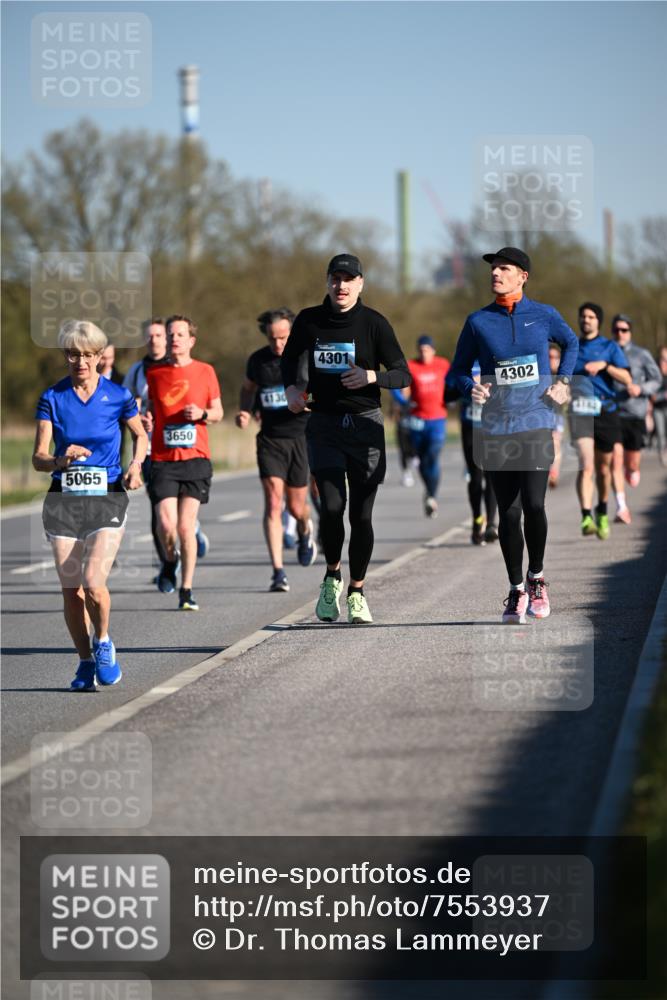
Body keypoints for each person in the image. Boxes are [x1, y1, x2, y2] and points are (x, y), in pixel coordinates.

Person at [450, 246, 578, 623]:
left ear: (523, 275)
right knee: (508, 512)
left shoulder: (544, 315)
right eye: (493, 268)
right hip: (495, 427)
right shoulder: (478, 322)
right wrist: (468, 388)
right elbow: (458, 369)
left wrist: (564, 381)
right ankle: (515, 590)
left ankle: (536, 577)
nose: (495, 273)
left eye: (504, 268)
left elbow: (570, 343)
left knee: (535, 505)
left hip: (536, 419)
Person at [281, 253, 410, 624]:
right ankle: (332, 576)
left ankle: (357, 590)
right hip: (324, 423)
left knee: (362, 515)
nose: (341, 286)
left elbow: (402, 374)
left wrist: (372, 377)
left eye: (348, 279)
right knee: (333, 508)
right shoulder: (309, 320)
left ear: (360, 284)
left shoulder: (374, 324)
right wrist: (292, 389)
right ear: (327, 282)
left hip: (366, 426)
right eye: (335, 279)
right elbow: (290, 359)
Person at [32, 320, 147, 691]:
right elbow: (38, 457)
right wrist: (60, 461)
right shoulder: (53, 397)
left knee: (94, 582)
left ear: (99, 356)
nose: (79, 361)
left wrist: (135, 465)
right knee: (71, 591)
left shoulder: (116, 396)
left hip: (107, 497)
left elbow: (140, 434)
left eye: (87, 354)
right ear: (66, 356)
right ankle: (84, 662)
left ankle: (103, 642)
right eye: (72, 354)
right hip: (63, 500)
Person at [236, 307, 317, 593]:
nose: (278, 344)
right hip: (270, 439)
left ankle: (306, 530)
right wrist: (245, 411)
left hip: (301, 438)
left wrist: (309, 401)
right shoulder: (258, 360)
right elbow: (248, 388)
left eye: (283, 337)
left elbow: (322, 389)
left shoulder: (306, 356)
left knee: (296, 507)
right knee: (273, 502)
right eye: (272, 339)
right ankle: (278, 572)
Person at [146, 314, 223, 610]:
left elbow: (217, 412)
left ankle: (186, 589)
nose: (173, 339)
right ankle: (169, 561)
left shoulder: (205, 371)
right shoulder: (155, 374)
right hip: (164, 459)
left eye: (179, 334)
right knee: (166, 524)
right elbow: (150, 409)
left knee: (185, 527)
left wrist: (202, 414)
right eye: (169, 335)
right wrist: (146, 418)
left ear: (191, 340)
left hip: (195, 459)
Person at [124, 318, 210, 574]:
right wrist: (138, 418)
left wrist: (200, 413)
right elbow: (128, 404)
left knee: (181, 520)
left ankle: (191, 530)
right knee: (160, 513)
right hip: (152, 448)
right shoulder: (140, 371)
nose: (156, 341)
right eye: (150, 337)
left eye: (160, 336)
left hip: (188, 451)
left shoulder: (189, 368)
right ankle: (167, 561)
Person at [570, 303, 631, 539]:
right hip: (580, 410)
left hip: (606, 411)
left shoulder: (609, 346)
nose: (586, 320)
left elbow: (626, 377)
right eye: (583, 316)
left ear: (598, 321)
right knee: (586, 465)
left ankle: (602, 510)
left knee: (604, 469)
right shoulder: (572, 347)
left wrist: (605, 366)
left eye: (591, 316)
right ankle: (586, 516)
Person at [609, 313, 661, 523]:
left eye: (624, 330)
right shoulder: (606, 353)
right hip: (612, 413)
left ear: (630, 332)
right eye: (616, 330)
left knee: (631, 463)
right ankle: (622, 507)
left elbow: (656, 379)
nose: (620, 333)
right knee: (615, 460)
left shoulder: (642, 354)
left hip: (636, 414)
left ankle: (633, 469)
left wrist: (641, 389)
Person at [446, 361, 498, 545]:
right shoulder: (462, 361)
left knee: (492, 475)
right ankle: (478, 519)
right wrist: (469, 387)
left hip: (493, 426)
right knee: (476, 477)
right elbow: (446, 395)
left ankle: (491, 524)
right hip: (470, 427)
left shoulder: (495, 356)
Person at [401, 335, 451, 518]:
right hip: (418, 420)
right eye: (421, 350)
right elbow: (400, 388)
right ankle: (429, 493)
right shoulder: (412, 366)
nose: (424, 353)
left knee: (433, 453)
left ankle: (432, 496)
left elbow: (453, 382)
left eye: (427, 350)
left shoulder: (443, 364)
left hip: (437, 418)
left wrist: (452, 398)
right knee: (422, 461)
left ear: (433, 350)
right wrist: (403, 402)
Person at [547, 343, 566, 488]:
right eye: (549, 357)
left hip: (557, 415)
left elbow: (570, 395)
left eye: (555, 357)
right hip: (540, 416)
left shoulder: (562, 376)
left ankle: (553, 472)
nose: (552, 360)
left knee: (555, 442)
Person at [651, 346, 667, 466]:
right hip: (657, 408)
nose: (664, 362)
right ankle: (662, 454)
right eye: (663, 358)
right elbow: (652, 395)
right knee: (660, 432)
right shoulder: (654, 373)